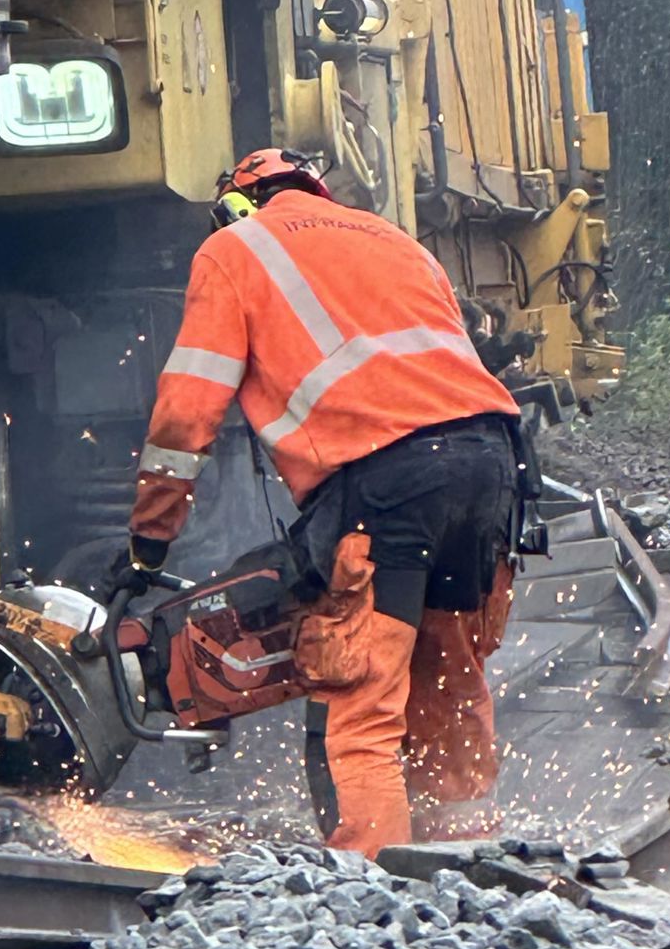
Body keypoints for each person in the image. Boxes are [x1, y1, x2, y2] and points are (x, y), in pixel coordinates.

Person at [124, 148, 528, 858]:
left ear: (239, 203)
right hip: (493, 462)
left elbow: (186, 414)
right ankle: (469, 861)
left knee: (363, 688)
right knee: (449, 674)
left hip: (388, 478)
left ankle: (366, 885)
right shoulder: (397, 242)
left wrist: (149, 539)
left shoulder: (234, 248)